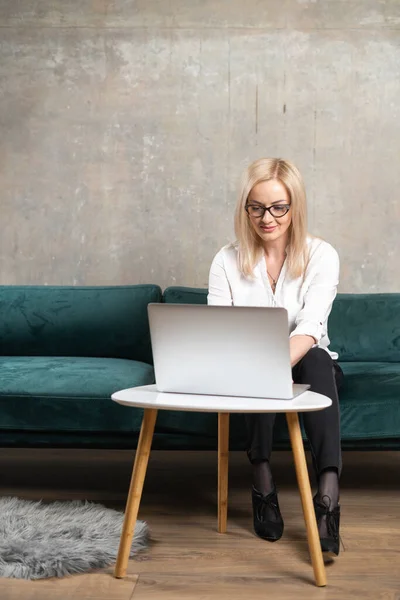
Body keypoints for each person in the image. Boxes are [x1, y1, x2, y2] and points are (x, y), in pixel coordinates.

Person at [207, 157, 343, 556]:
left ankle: (328, 495)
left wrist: (267, 366)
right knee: (260, 373)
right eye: (256, 207)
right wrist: (257, 367)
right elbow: (220, 329)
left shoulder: (321, 255)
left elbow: (310, 327)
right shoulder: (226, 260)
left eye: (278, 207)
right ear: (245, 208)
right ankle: (262, 480)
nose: (267, 217)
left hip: (310, 365)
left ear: (294, 207)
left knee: (316, 358)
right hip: (248, 366)